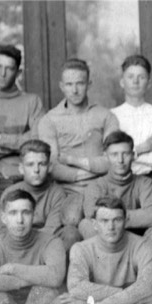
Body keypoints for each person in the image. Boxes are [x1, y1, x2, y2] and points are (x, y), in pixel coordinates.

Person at [38, 58, 120, 228]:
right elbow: (52, 167)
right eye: (69, 84)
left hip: (101, 187)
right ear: (61, 86)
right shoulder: (49, 120)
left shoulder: (106, 116)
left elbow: (112, 161)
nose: (74, 90)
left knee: (107, 224)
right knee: (72, 221)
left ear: (89, 84)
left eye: (80, 83)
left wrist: (73, 162)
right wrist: (92, 170)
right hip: (68, 191)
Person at [0, 45, 45, 227]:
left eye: (9, 68)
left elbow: (39, 143)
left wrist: (1, 139)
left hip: (29, 181)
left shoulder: (32, 101)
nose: (3, 73)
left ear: (18, 72)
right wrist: (23, 142)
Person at [78, 131, 152, 259]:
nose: (120, 160)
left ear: (133, 155)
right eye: (114, 155)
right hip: (108, 244)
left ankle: (135, 264)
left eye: (126, 154)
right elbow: (91, 213)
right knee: (86, 224)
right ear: (106, 156)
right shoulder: (96, 185)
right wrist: (132, 217)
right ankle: (110, 263)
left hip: (136, 247)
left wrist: (114, 218)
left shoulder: (144, 182)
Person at [0, 140, 82, 251]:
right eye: (30, 164)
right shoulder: (10, 192)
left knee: (71, 233)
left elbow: (50, 231)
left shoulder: (57, 193)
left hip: (43, 246)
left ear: (49, 167)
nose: (36, 170)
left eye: (42, 164)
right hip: (16, 245)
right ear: (21, 168)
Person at [110, 55, 152, 186]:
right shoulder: (112, 115)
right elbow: (109, 157)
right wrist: (140, 150)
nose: (135, 81)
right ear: (122, 82)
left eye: (141, 77)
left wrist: (127, 154)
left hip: (149, 179)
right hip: (119, 180)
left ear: (149, 83)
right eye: (130, 77)